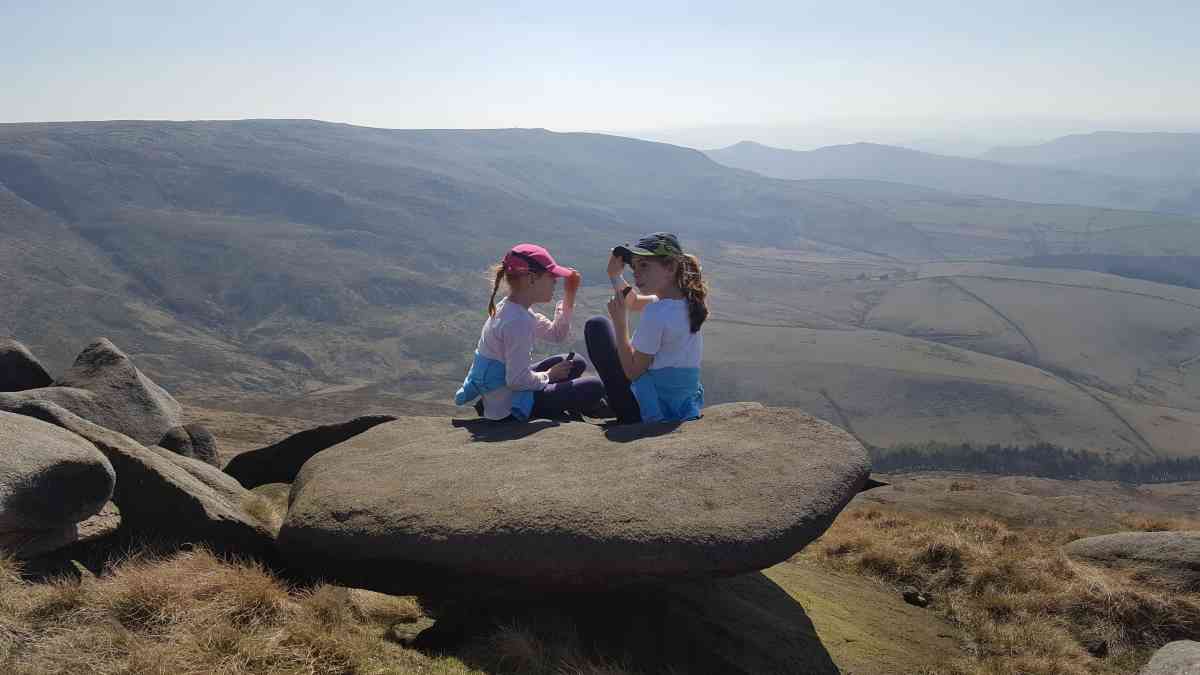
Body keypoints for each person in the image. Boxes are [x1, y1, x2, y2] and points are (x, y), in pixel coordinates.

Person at [454, 243, 604, 421]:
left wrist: (569, 295)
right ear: (531, 279)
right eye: (551, 276)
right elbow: (517, 381)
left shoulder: (513, 308)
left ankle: (488, 401)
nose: (556, 281)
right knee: (594, 386)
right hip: (508, 404)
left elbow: (556, 334)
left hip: (499, 388)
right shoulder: (518, 322)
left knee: (576, 362)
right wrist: (549, 375)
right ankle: (507, 408)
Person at [584, 232, 707, 424]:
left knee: (597, 327)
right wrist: (615, 276)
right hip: (678, 404)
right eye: (634, 266)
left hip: (652, 407)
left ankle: (624, 411)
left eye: (644, 265)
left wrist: (620, 322)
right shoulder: (686, 301)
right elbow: (633, 302)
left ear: (671, 267)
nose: (636, 273)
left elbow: (633, 372)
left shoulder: (657, 313)